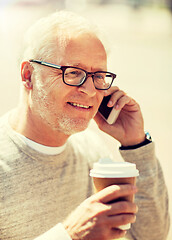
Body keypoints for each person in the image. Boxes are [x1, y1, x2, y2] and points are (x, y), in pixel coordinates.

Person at [0, 10, 170, 240]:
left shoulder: (91, 149)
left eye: (98, 76)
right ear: (29, 75)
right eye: (73, 73)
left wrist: (136, 145)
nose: (90, 91)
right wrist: (69, 235)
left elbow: (150, 235)